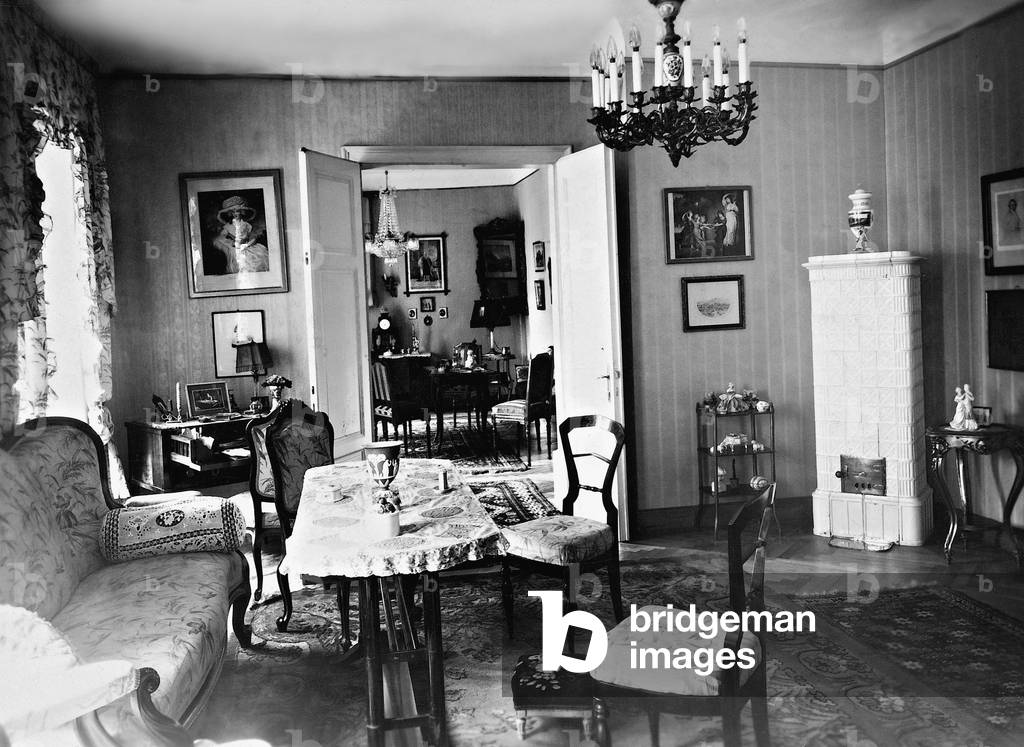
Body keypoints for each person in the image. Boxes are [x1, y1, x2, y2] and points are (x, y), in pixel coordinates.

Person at [212, 195, 270, 274]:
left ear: (242, 212)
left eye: (238, 211)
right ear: (230, 214)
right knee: (238, 259)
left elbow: (252, 237)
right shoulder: (228, 226)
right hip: (236, 247)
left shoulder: (246, 225)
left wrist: (247, 244)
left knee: (258, 257)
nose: (235, 214)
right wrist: (232, 243)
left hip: (247, 246)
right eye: (233, 212)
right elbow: (221, 237)